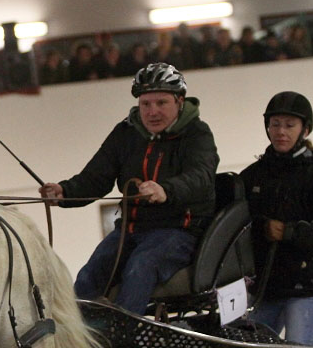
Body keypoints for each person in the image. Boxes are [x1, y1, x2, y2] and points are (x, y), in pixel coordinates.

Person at [39, 62, 219, 313]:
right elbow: (97, 177)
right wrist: (65, 192)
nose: (152, 111)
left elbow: (201, 177)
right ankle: (81, 340)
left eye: (161, 103)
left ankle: (126, 336)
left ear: (179, 101)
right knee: (88, 276)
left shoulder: (198, 134)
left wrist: (166, 190)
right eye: (145, 104)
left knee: (141, 265)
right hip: (130, 230)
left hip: (179, 232)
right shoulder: (125, 133)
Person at [241, 91, 313, 347]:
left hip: (306, 288)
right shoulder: (252, 176)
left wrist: (288, 232)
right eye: (275, 124)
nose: (281, 131)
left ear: (305, 130)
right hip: (265, 290)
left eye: (289, 125)